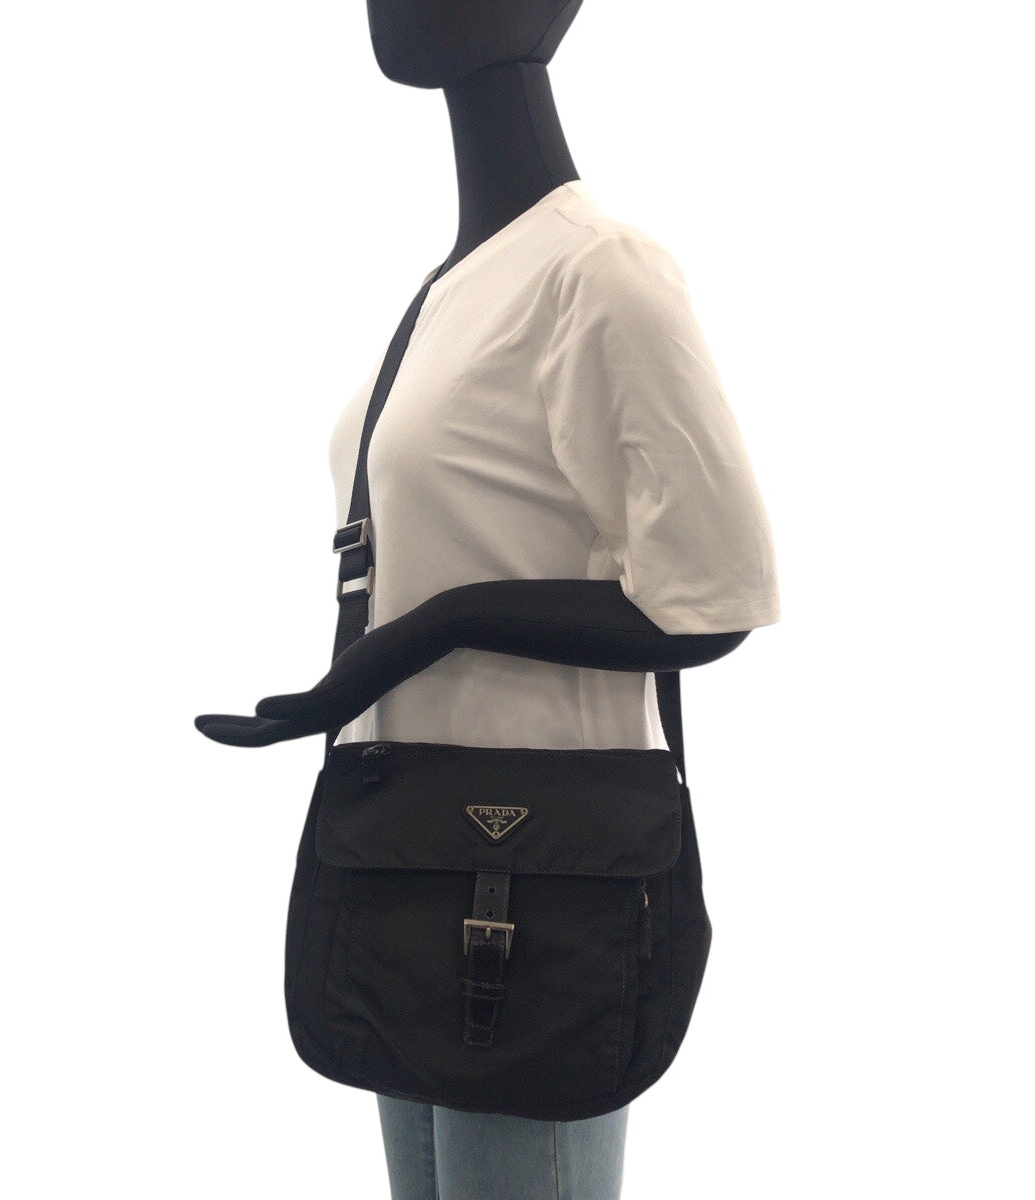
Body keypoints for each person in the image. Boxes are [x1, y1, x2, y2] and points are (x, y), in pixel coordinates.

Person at [197, 3, 780, 1196]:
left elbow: (712, 598)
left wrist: (435, 628)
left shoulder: (600, 271)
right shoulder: (446, 293)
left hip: (540, 875)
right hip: (404, 842)